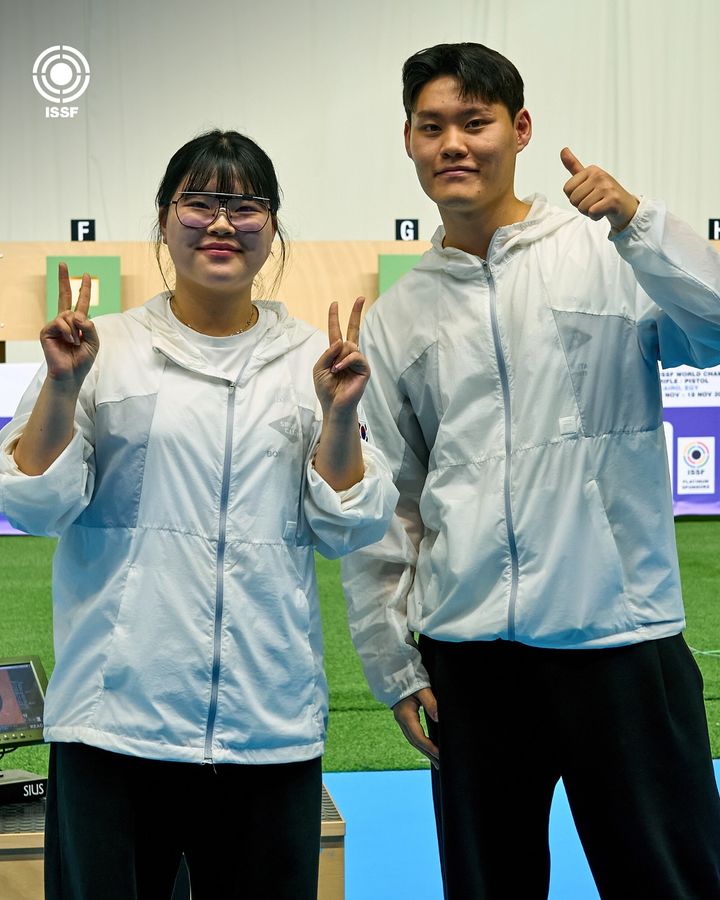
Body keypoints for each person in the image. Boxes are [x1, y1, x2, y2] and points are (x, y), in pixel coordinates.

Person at [341, 42, 720, 898]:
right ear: (408, 141)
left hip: (619, 640)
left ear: (519, 129)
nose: (454, 145)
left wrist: (641, 224)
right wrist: (394, 665)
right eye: (432, 127)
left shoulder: (608, 255)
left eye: (474, 123)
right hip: (471, 661)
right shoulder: (400, 315)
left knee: (675, 881)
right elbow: (385, 506)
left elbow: (719, 326)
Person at [0, 129, 397, 900]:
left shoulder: (312, 360)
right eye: (201, 202)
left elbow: (346, 523)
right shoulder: (100, 349)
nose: (222, 223)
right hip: (115, 725)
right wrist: (60, 386)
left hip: (265, 726)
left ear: (272, 227)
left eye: (245, 204)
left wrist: (340, 414)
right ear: (163, 218)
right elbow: (37, 503)